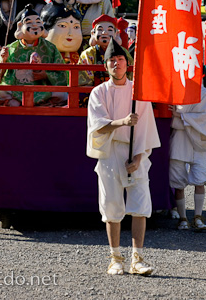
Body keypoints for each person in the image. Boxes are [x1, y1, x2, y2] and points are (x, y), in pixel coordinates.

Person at [86, 39, 159, 276]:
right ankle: (115, 257)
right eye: (111, 61)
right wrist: (122, 122)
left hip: (135, 151)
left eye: (120, 60)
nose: (116, 64)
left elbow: (146, 127)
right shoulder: (99, 92)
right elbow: (98, 125)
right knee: (112, 205)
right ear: (105, 66)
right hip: (109, 152)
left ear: (127, 64)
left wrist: (139, 158)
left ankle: (138, 258)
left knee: (139, 205)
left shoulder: (139, 92)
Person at [169, 85, 206, 232]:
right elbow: (172, 119)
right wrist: (187, 121)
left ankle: (198, 216)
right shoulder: (175, 90)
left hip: (198, 142)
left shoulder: (205, 93)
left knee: (200, 179)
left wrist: (181, 116)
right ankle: (183, 218)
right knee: (178, 182)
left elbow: (205, 118)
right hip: (180, 141)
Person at [0, 5, 67, 106]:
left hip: (43, 88)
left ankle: (45, 103)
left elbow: (61, 74)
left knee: (62, 94)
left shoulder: (50, 48)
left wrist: (45, 75)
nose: (35, 25)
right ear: (20, 26)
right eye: (29, 22)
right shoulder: (11, 48)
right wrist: (3, 60)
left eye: (38, 22)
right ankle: (15, 102)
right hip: (17, 89)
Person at [79, 15, 133, 88]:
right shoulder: (88, 54)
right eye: (100, 30)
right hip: (95, 91)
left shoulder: (123, 52)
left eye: (110, 30)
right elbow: (84, 81)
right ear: (93, 33)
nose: (104, 32)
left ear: (116, 33)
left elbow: (131, 74)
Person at [41, 0, 83, 65]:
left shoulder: (84, 57)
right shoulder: (41, 54)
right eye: (63, 26)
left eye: (76, 27)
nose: (70, 33)